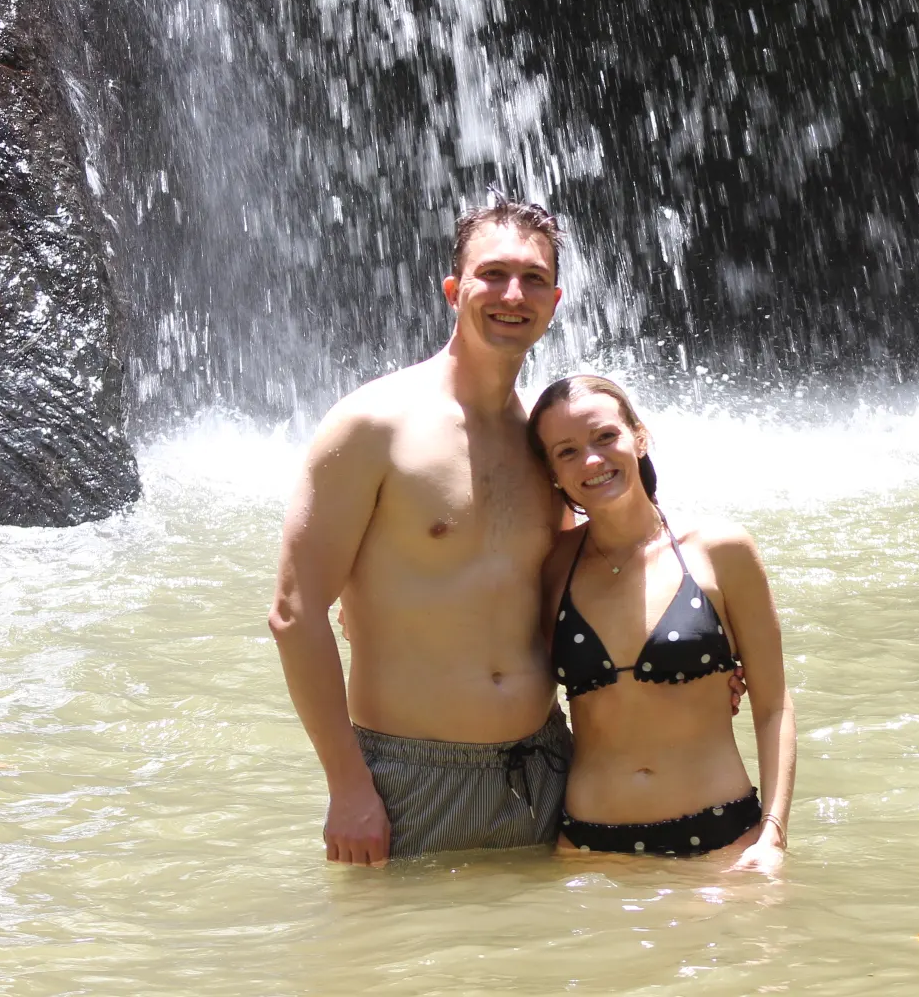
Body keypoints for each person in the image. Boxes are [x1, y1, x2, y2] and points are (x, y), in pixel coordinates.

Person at [268, 198, 573, 865]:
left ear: (553, 303)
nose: (512, 294)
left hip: (548, 770)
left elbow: (596, 581)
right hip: (408, 780)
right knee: (403, 971)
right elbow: (295, 613)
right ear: (453, 289)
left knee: (548, 968)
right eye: (492, 274)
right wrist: (347, 785)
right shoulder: (375, 425)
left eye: (533, 279)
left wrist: (691, 667)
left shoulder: (553, 443)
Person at [528, 375, 795, 873]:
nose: (591, 460)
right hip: (587, 849)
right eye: (566, 451)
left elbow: (774, 704)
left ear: (639, 436)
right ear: (552, 472)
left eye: (606, 437)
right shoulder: (551, 567)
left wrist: (773, 834)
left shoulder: (720, 550)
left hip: (722, 841)